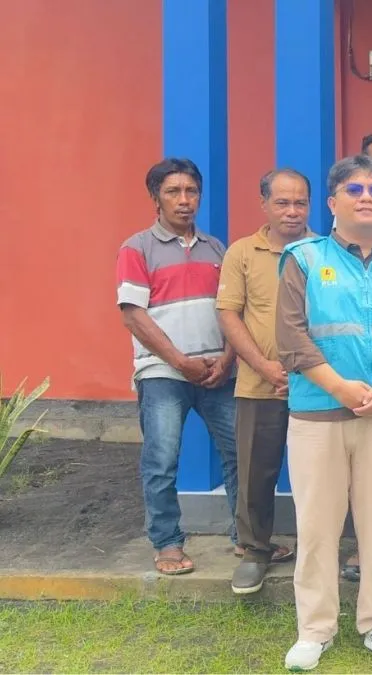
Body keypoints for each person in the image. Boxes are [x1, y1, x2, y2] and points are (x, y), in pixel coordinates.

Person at [277, 155, 372, 671]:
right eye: (355, 188)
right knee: (317, 525)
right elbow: (291, 337)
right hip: (318, 414)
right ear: (333, 201)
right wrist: (340, 387)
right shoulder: (302, 258)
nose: (367, 196)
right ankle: (314, 628)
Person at [117, 158, 238, 576]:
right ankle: (167, 543)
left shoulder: (216, 248)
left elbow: (231, 310)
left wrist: (227, 357)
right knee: (162, 459)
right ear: (156, 198)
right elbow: (134, 316)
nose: (184, 200)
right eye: (173, 192)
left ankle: (248, 538)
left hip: (218, 372)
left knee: (240, 452)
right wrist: (180, 362)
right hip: (164, 372)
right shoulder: (137, 248)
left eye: (191, 191)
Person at [218, 169, 312, 594]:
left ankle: (319, 550)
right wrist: (265, 366)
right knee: (257, 471)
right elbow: (228, 315)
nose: (292, 212)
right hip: (259, 385)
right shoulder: (242, 252)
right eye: (283, 202)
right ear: (264, 204)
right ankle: (255, 551)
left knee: (322, 474)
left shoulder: (323, 251)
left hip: (316, 385)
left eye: (300, 203)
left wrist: (306, 370)